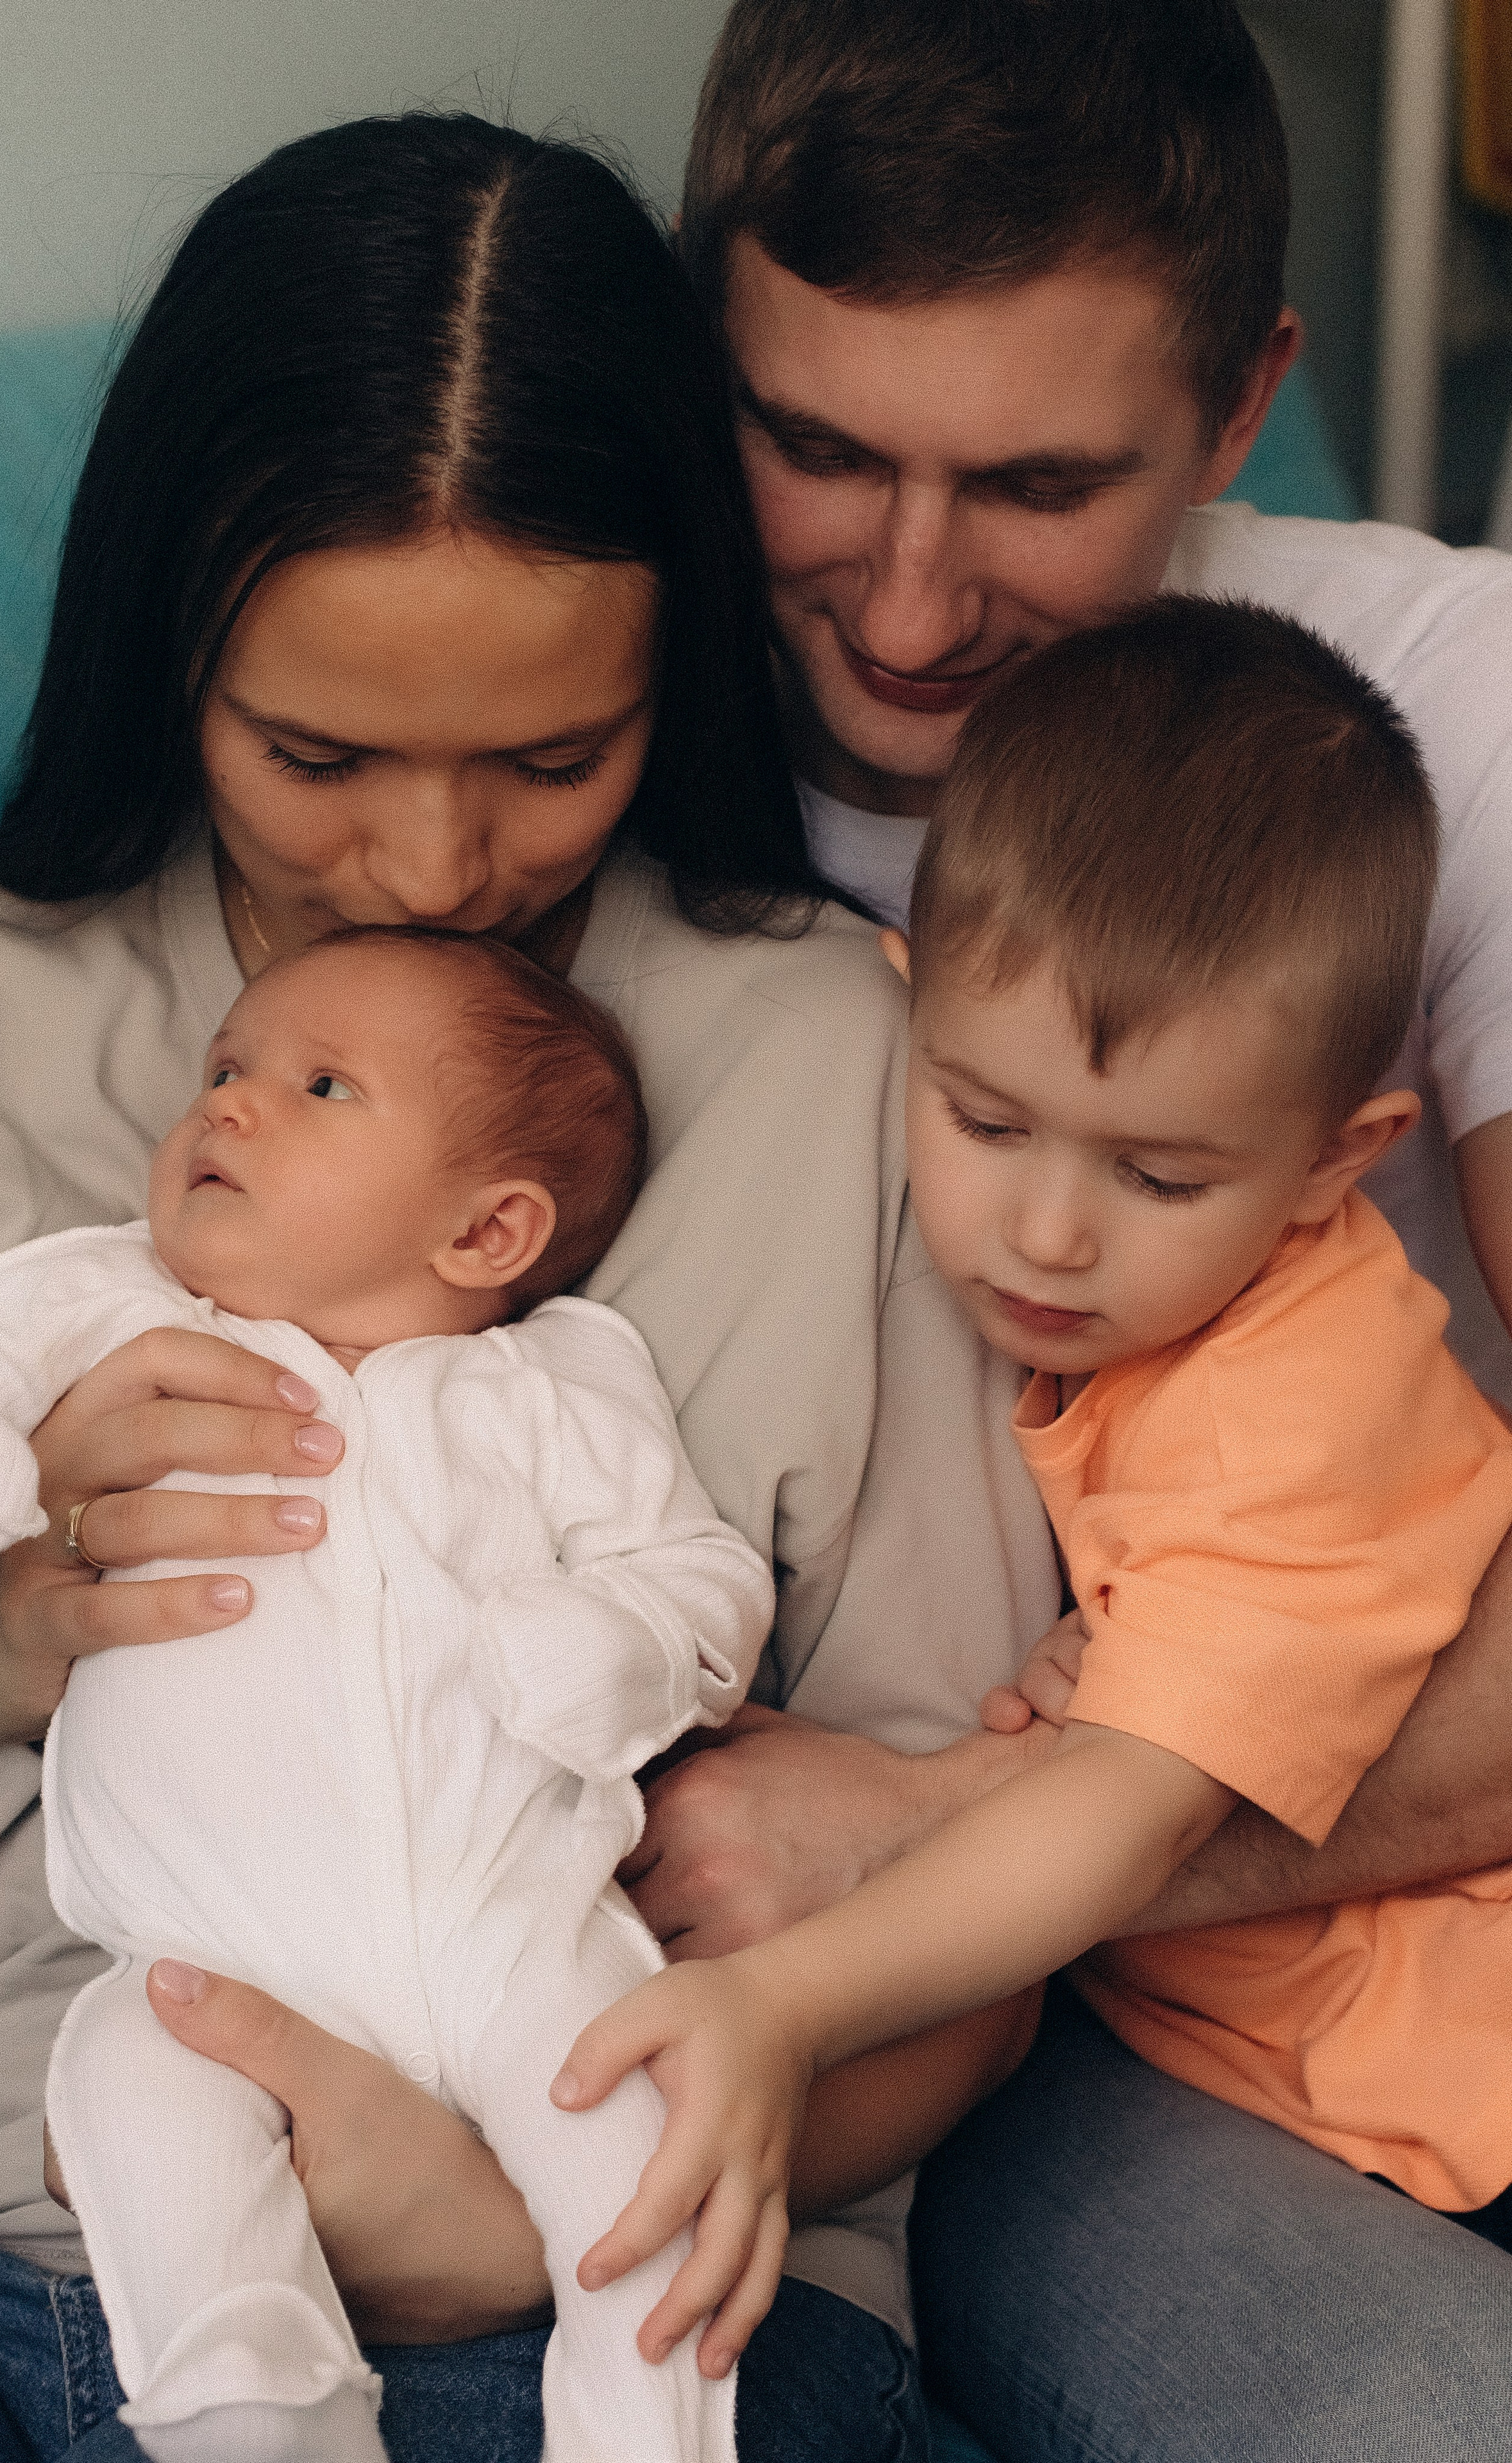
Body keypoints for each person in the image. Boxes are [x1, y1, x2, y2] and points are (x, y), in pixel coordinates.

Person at [0, 111, 1049, 2463]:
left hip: (639, 2272)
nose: (428, 863)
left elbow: (983, 1921)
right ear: (164, 645)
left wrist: (537, 2235)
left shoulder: (824, 1064)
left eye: (551, 756)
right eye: (312, 751)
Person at [637, 2, 1512, 2453]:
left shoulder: (1444, 733)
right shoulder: (561, 739)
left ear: (1245, 403)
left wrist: (927, 1831)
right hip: (1012, 2039)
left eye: (1034, 484)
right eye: (813, 446)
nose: (910, 605)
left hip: (1194, 1923)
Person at [554, 602, 1512, 2370]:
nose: (1048, 1235)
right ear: (911, 1010)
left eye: (1159, 1176)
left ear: (1335, 1163)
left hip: (1457, 2065)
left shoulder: (1283, 1410)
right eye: (986, 1125)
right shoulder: (1010, 1264)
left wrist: (779, 2003)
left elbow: (1121, 1821)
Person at [0, 924, 776, 2463]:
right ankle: (249, 2397)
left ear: (487, 1233)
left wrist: (608, 1641)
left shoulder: (555, 1386)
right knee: (129, 2082)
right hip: (202, 1957)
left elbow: (697, 1577)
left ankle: (640, 2431)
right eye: (223, 1068)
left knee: (638, 2144)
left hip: (513, 1940)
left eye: (319, 1085)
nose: (225, 1104)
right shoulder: (123, 1312)